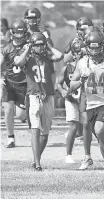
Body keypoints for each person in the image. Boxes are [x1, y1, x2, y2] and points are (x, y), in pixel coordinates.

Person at [70, 30, 104, 181]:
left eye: (97, 47)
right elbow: (72, 85)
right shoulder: (82, 63)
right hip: (91, 105)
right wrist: (80, 81)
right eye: (91, 48)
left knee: (100, 130)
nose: (94, 50)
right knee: (100, 137)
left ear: (103, 47)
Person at [15, 32, 63, 171]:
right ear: (32, 45)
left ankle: (37, 158)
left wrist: (47, 44)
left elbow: (60, 56)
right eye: (37, 45)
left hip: (48, 96)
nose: (39, 48)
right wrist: (28, 48)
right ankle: (37, 164)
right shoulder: (28, 58)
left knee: (45, 133)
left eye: (41, 45)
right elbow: (18, 61)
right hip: (33, 96)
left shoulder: (48, 57)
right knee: (35, 129)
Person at [56, 39, 86, 163]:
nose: (79, 55)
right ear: (73, 53)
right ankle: (68, 154)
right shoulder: (67, 68)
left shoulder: (88, 66)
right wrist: (62, 91)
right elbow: (58, 83)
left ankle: (89, 154)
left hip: (85, 98)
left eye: (82, 53)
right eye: (77, 52)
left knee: (90, 127)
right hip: (71, 98)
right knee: (73, 127)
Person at [1, 19, 29, 148]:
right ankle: (10, 137)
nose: (18, 36)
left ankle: (28, 117)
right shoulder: (6, 48)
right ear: (11, 32)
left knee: (20, 115)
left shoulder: (28, 47)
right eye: (16, 33)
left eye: (21, 33)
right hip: (9, 83)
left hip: (23, 85)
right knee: (8, 110)